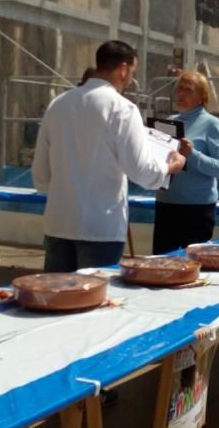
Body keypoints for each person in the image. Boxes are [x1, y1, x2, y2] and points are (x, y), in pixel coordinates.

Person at [33, 40, 186, 271]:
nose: (130, 80)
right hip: (101, 228)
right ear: (123, 69)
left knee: (56, 301)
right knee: (95, 303)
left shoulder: (58, 105)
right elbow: (142, 171)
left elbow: (41, 175)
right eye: (132, 72)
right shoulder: (123, 109)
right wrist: (169, 167)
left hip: (58, 224)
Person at [152, 71, 219, 254]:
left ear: (202, 96)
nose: (181, 94)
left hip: (197, 211)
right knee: (161, 265)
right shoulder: (167, 124)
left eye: (188, 90)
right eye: (179, 89)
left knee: (194, 267)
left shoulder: (213, 124)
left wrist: (192, 154)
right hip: (166, 206)